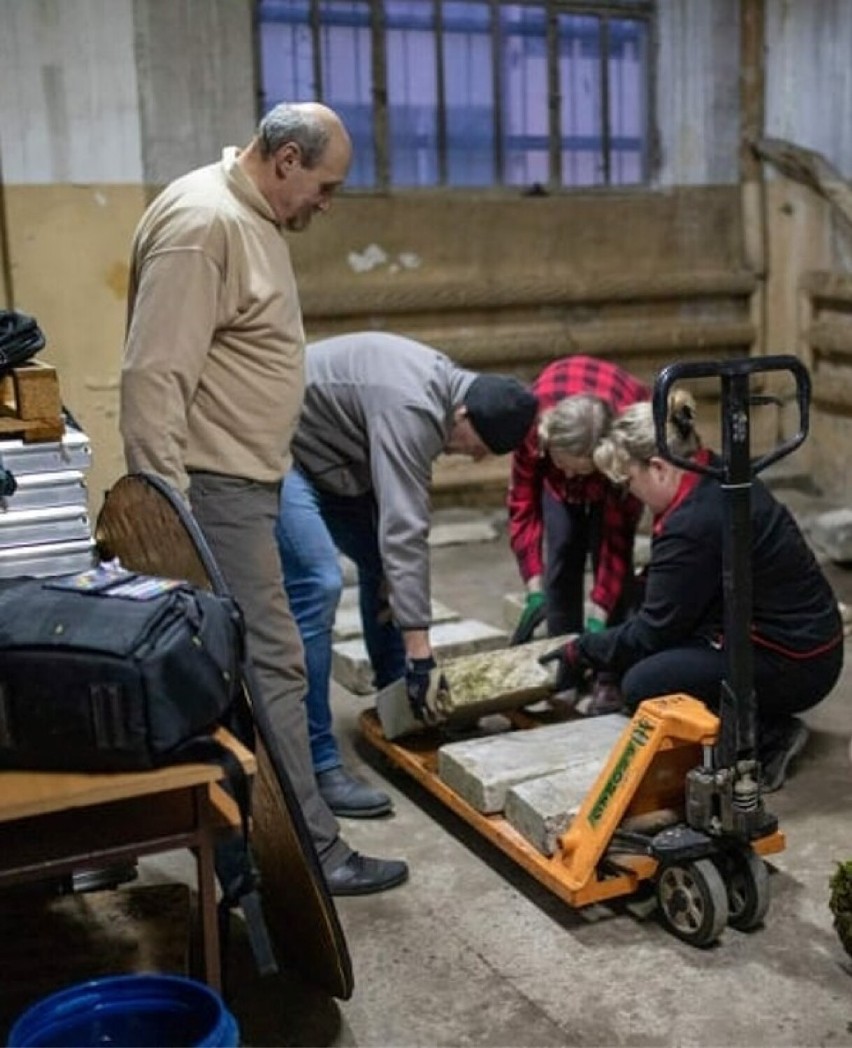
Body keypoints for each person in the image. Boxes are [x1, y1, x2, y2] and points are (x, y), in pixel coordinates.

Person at [120, 102, 408, 895]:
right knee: (271, 663)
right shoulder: (204, 223)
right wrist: (164, 522)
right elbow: (154, 377)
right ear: (285, 158)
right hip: (214, 491)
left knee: (291, 612)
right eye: (326, 184)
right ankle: (308, 853)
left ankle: (281, 813)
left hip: (256, 479)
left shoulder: (252, 219)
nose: (327, 201)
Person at [275, 331, 539, 817]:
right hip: (279, 445)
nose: (476, 458)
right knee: (319, 582)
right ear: (462, 416)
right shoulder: (412, 408)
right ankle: (314, 764)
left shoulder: (449, 391)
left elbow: (396, 548)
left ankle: (403, 706)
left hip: (334, 453)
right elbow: (404, 529)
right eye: (478, 446)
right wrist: (422, 653)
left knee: (383, 571)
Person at [540, 390, 844, 792]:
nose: (630, 492)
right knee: (643, 599)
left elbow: (653, 631)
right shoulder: (713, 471)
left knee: (643, 684)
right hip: (807, 639)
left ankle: (767, 734)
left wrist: (583, 650)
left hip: (798, 663)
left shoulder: (693, 523)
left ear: (659, 468)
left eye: (630, 479)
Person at [507, 355, 649, 713]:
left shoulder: (623, 451)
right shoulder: (532, 427)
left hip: (611, 461)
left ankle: (608, 673)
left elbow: (616, 544)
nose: (571, 478)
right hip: (566, 439)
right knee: (562, 546)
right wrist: (533, 586)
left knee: (609, 556)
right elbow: (522, 504)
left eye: (579, 472)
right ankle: (566, 668)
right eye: (564, 467)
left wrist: (599, 616)